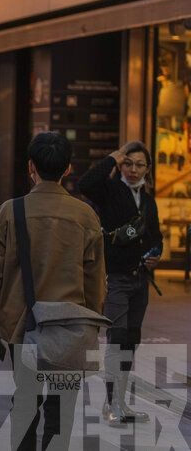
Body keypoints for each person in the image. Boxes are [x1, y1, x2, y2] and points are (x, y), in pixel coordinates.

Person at [0, 132, 105, 451]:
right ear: (68, 169)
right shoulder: (85, 216)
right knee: (62, 411)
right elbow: (95, 282)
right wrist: (90, 326)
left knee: (24, 404)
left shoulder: (10, 212)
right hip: (69, 327)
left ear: (30, 166)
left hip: (24, 327)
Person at [77, 140, 162, 427]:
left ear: (148, 169)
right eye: (129, 163)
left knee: (131, 339)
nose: (134, 170)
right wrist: (112, 158)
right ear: (121, 165)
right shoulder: (111, 190)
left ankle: (119, 401)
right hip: (115, 278)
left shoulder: (148, 201)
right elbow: (86, 183)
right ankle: (111, 404)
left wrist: (155, 254)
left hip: (141, 281)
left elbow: (156, 236)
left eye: (140, 165)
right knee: (117, 338)